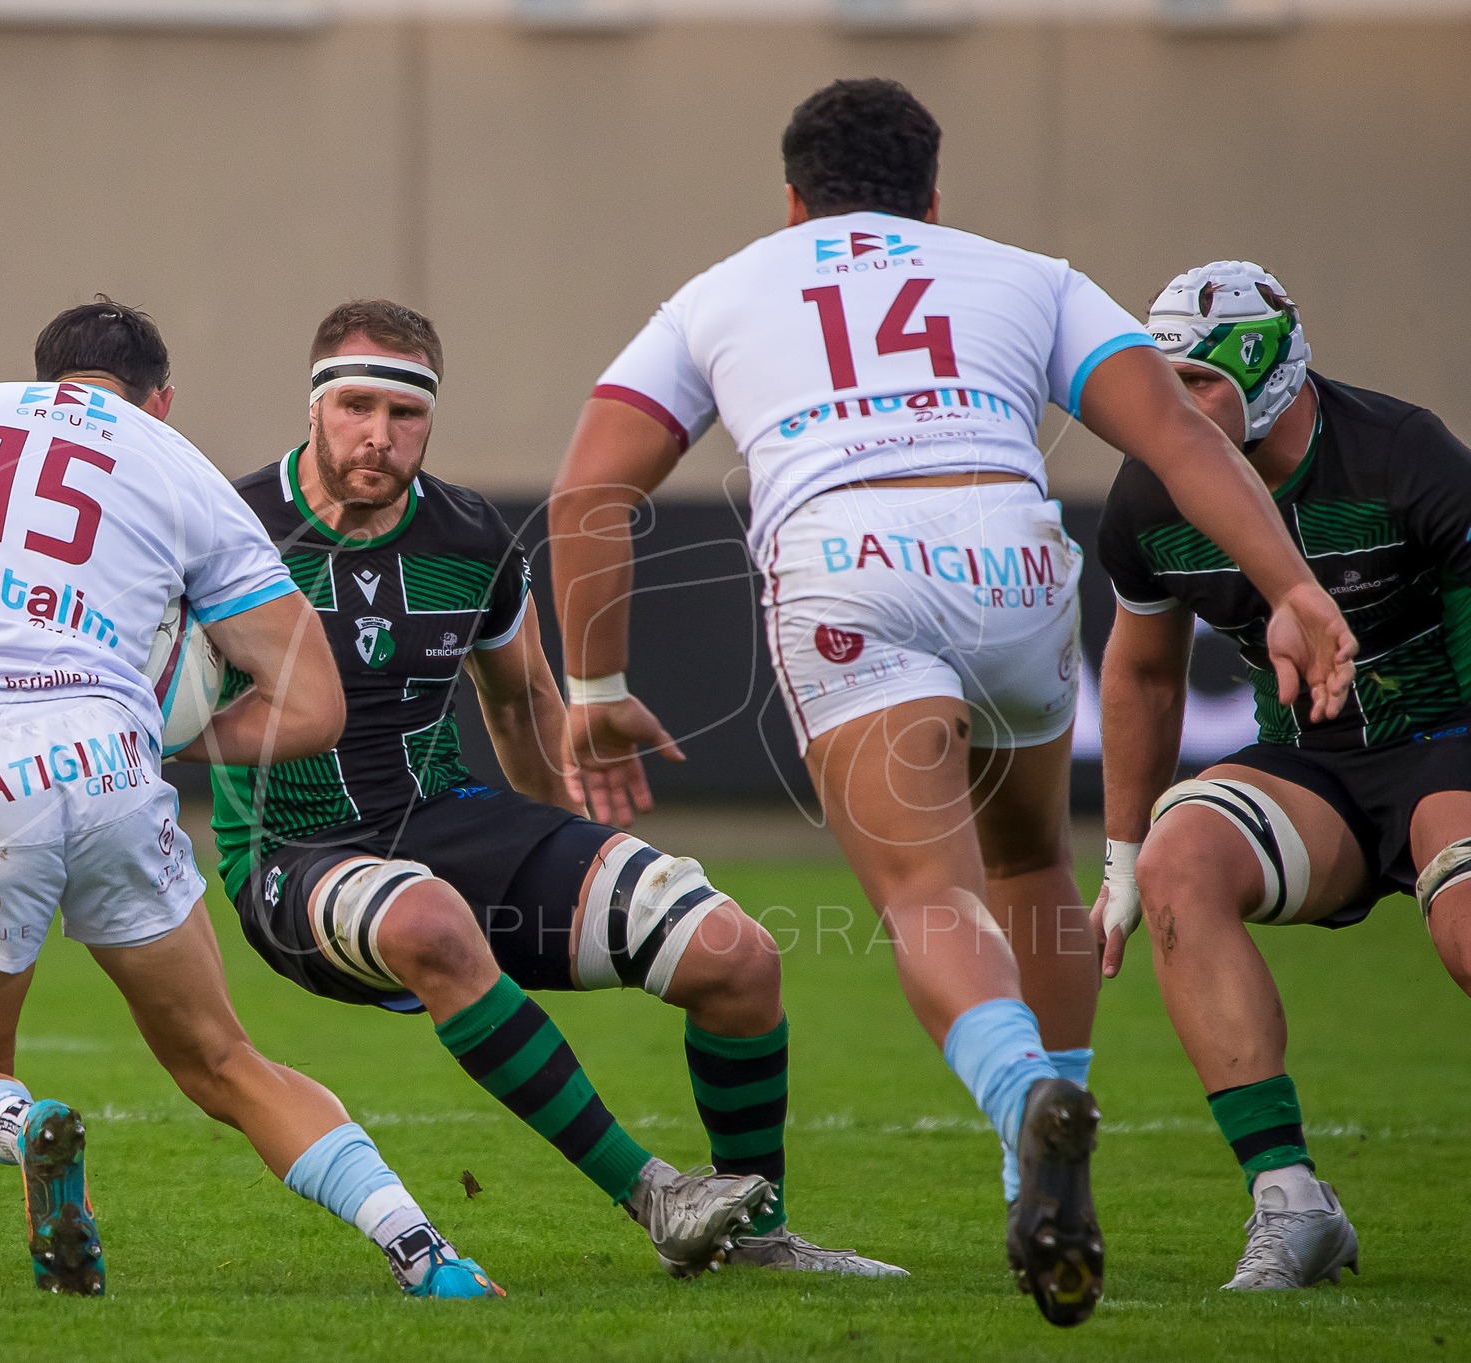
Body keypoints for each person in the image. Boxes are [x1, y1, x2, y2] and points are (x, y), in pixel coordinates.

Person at [545, 80, 1358, 1327]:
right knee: (1032, 856)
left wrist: (594, 686)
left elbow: (590, 488)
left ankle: (1023, 1094)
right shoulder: (1023, 273)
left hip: (846, 554)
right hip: (1010, 542)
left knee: (928, 895)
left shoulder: (726, 287)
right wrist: (1291, 587)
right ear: (933, 196)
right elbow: (1181, 441)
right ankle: (1033, 1159)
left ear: (789, 197)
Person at [0, 297, 500, 1301]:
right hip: (106, 755)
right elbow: (309, 706)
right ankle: (425, 1254)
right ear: (160, 400)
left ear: (44, 377)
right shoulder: (179, 467)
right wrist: (164, 733)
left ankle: (22, 1128)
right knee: (225, 1059)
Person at [210, 297, 903, 1280]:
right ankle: (656, 1196)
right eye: (355, 405)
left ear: (431, 418)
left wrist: (570, 856)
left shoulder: (466, 535)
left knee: (732, 955)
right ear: (313, 405)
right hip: (292, 859)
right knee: (429, 924)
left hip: (443, 821)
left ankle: (756, 1238)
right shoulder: (224, 531)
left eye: (403, 414)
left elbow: (523, 700)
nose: (378, 435)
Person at [1092, 261, 1471, 1290]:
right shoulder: (1149, 494)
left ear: (1269, 376)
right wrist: (1120, 860)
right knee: (1180, 862)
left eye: (1200, 385)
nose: (1174, 411)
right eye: (1161, 385)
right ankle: (1289, 1204)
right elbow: (1135, 672)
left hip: (1446, 733)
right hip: (1312, 765)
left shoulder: (1404, 454)